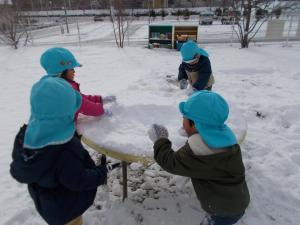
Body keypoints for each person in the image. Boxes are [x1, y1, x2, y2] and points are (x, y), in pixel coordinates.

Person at [10, 77, 108, 225]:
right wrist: (102, 172)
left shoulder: (25, 136)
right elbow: (79, 180)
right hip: (68, 208)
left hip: (47, 204)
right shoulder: (65, 149)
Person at [148, 91, 250, 225]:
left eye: (184, 117)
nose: (182, 121)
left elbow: (171, 162)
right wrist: (193, 133)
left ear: (195, 124)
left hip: (223, 211)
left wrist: (161, 140)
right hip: (238, 200)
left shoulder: (197, 151)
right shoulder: (227, 139)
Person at [40, 47, 116, 122]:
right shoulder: (64, 90)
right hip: (60, 131)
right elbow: (83, 105)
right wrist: (101, 110)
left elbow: (80, 98)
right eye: (71, 69)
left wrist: (100, 99)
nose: (74, 72)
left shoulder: (54, 85)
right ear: (61, 71)